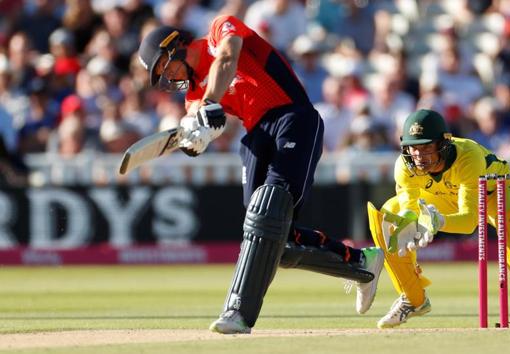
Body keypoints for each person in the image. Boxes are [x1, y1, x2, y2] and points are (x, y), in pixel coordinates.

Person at [137, 16, 384, 334]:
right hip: (256, 136)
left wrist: (209, 103)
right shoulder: (193, 97)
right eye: (160, 76)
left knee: (269, 214)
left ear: (176, 46)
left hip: (292, 116)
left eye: (164, 66)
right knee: (270, 236)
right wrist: (193, 137)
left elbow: (228, 57)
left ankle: (238, 313)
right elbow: (203, 129)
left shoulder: (218, 31)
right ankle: (360, 263)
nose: (168, 76)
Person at [364, 109, 510, 328]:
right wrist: (407, 220)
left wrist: (439, 222)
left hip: (493, 192)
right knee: (388, 214)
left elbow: (470, 220)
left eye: (426, 147)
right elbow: (408, 209)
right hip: (440, 196)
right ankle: (413, 298)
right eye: (414, 148)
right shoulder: (404, 166)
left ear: (443, 144)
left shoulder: (467, 156)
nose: (419, 156)